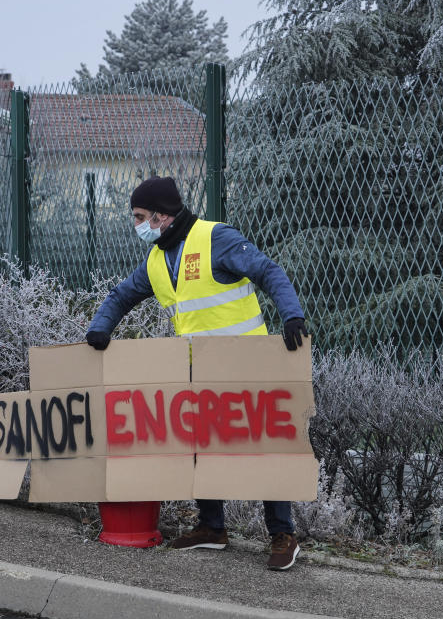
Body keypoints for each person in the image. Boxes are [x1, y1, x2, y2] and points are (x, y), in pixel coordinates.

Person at [85, 176, 310, 571]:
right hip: (198, 368)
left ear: (160, 215)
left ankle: (283, 534)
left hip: (247, 363)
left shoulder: (215, 238)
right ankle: (212, 527)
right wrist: (101, 327)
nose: (136, 224)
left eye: (140, 216)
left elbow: (268, 270)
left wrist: (292, 316)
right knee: (200, 441)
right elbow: (122, 295)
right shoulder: (157, 259)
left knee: (263, 444)